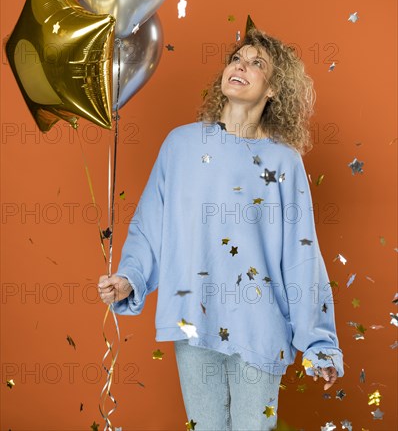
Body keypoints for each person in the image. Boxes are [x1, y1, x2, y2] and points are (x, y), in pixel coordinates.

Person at [98, 28, 344, 431]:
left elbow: (303, 253)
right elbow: (151, 222)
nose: (240, 66)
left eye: (256, 63)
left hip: (261, 320)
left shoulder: (285, 162)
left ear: (273, 90)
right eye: (237, 59)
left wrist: (319, 343)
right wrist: (131, 277)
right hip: (194, 313)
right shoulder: (181, 145)